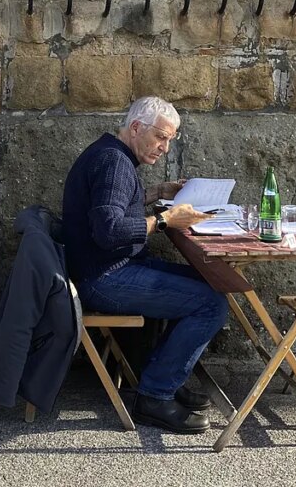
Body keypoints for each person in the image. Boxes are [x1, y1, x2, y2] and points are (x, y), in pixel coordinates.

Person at [62, 96, 228, 434]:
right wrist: (166, 220)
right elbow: (108, 230)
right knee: (211, 303)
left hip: (104, 270)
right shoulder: (115, 165)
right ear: (137, 128)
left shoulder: (110, 154)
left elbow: (116, 202)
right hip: (105, 278)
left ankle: (164, 376)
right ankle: (155, 395)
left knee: (208, 284)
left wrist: (158, 191)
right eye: (160, 137)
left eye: (170, 140)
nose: (165, 148)